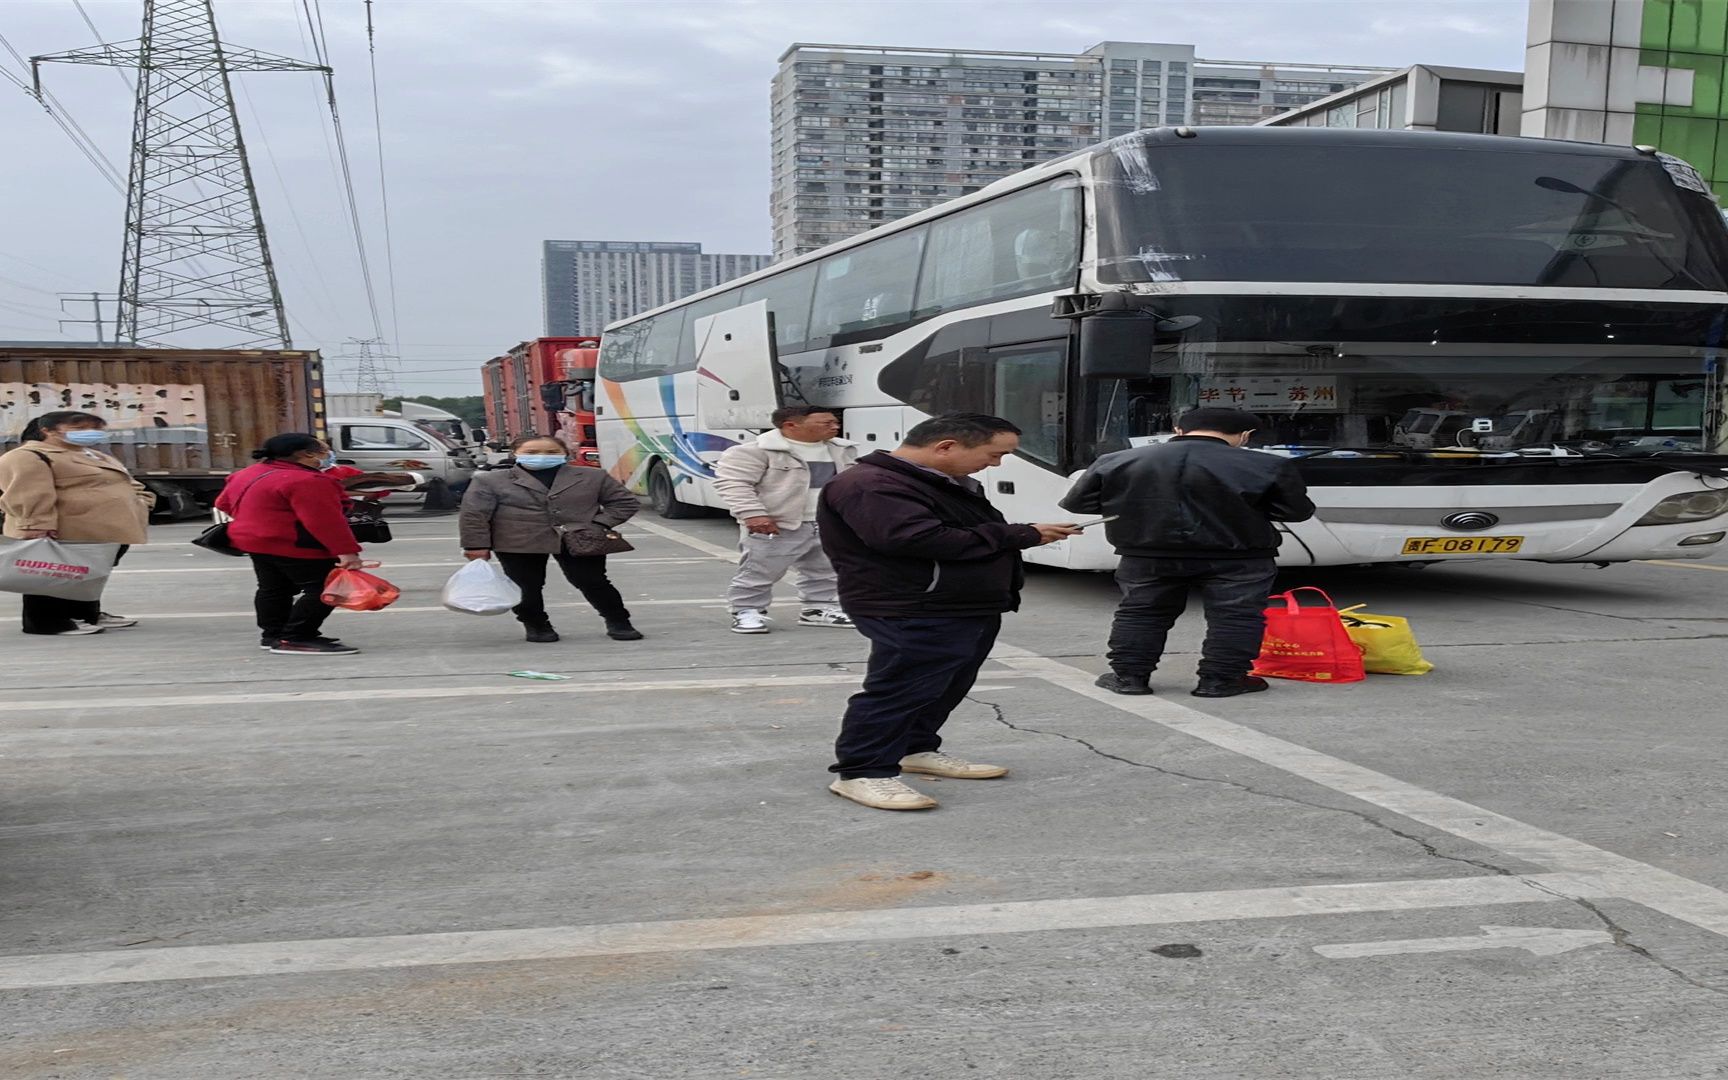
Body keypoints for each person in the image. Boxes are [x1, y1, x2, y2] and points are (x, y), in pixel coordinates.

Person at [817, 413, 1080, 811]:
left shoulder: (935, 480)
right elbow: (915, 538)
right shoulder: (871, 484)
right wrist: (1020, 534)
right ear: (946, 446)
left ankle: (914, 747)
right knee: (899, 689)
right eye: (994, 455)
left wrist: (1020, 535)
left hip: (958, 603)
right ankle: (864, 770)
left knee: (945, 684)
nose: (995, 465)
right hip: (911, 604)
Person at [1060, 407, 1316, 699]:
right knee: (1236, 616)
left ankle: (1129, 677)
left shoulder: (1116, 460)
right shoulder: (1267, 465)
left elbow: (1078, 503)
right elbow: (1296, 512)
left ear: (1179, 430)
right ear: (1245, 435)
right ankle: (1221, 680)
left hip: (1146, 552)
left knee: (1142, 612)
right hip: (1239, 556)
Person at [459, 434, 643, 643]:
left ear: (565, 454)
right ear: (515, 453)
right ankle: (537, 625)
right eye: (531, 452)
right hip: (517, 541)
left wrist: (598, 524)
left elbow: (625, 503)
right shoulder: (489, 480)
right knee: (526, 586)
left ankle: (618, 621)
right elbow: (474, 514)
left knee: (592, 581)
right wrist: (475, 545)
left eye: (551, 452)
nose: (542, 456)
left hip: (580, 538)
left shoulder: (593, 476)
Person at [0, 410, 153, 636]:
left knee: (86, 574)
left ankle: (85, 614)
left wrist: (142, 502)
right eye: (79, 429)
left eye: (94, 429)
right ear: (48, 430)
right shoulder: (28, 456)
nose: (89, 434)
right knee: (51, 574)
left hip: (103, 529)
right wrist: (36, 525)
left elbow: (125, 481)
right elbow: (28, 494)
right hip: (64, 528)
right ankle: (47, 622)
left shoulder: (91, 454)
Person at [712, 405, 858, 634]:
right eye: (826, 423)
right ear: (791, 425)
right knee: (760, 569)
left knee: (827, 569)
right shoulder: (756, 451)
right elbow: (733, 484)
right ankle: (746, 610)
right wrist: (753, 514)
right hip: (778, 523)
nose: (835, 427)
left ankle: (818, 608)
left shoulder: (841, 450)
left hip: (829, 522)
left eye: (835, 422)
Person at [217, 433, 365, 656]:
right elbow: (325, 521)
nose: (327, 455)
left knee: (274, 588)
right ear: (307, 454)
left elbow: (223, 503)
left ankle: (273, 635)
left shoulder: (247, 473)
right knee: (329, 587)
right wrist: (347, 553)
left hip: (254, 541)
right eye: (324, 450)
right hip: (293, 543)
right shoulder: (308, 481)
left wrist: (260, 520)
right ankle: (297, 636)